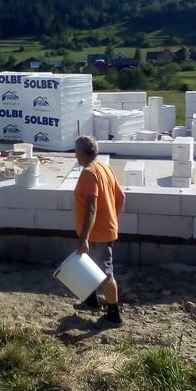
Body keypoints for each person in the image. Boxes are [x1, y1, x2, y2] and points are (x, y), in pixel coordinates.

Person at [73, 134, 125, 325]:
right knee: (90, 267)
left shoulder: (89, 173)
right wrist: (111, 219)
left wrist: (84, 238)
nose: (75, 156)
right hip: (102, 230)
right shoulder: (104, 168)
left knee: (105, 274)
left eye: (76, 152)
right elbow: (121, 196)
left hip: (96, 234)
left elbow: (92, 207)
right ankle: (91, 300)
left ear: (82, 152)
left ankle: (113, 315)